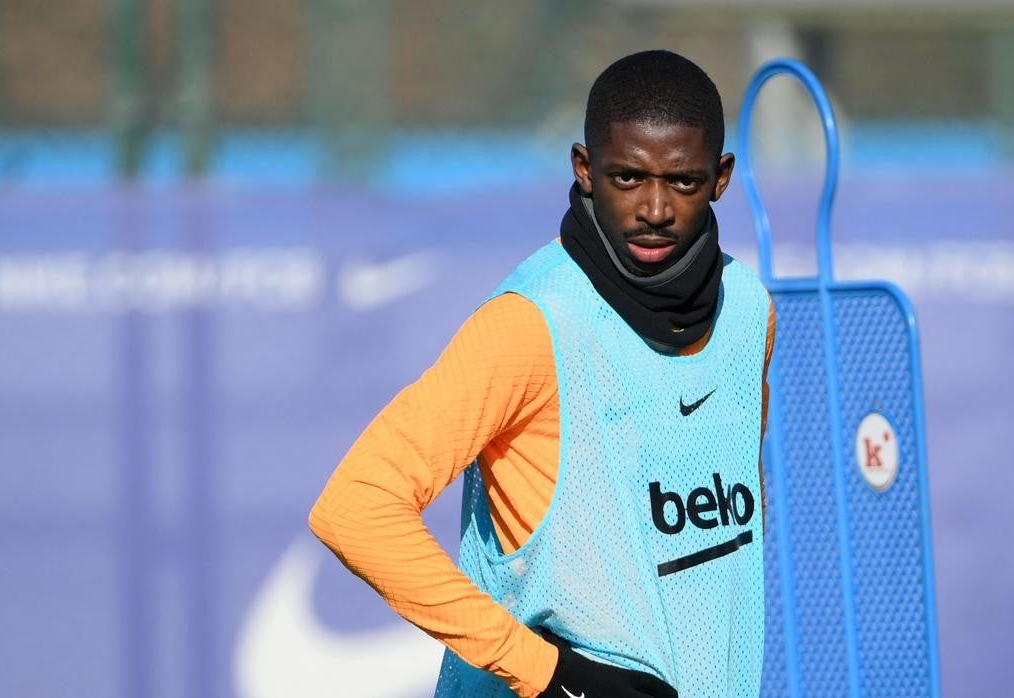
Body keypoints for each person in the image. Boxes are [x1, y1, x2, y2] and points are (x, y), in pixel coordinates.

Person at [310, 49, 776, 698]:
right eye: (626, 178)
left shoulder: (749, 309)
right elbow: (355, 507)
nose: (655, 208)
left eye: (683, 182)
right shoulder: (531, 323)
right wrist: (551, 675)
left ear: (721, 177)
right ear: (585, 170)